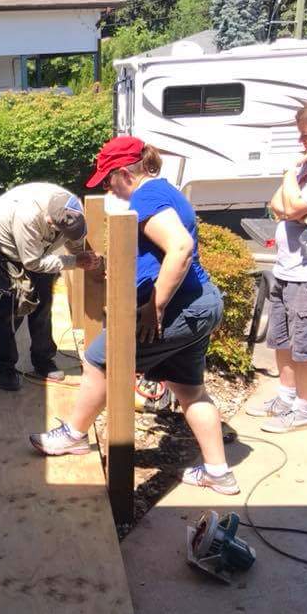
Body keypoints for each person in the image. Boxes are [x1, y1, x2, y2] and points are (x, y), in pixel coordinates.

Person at [30, 136, 240, 497]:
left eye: (108, 180)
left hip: (179, 309)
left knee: (99, 359)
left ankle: (74, 435)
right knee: (190, 390)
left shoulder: (146, 197)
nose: (109, 188)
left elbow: (180, 247)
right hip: (199, 304)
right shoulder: (166, 191)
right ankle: (219, 473)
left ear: (125, 172)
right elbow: (159, 254)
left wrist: (153, 306)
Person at [0, 182, 101, 392]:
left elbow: (74, 241)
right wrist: (74, 262)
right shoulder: (28, 216)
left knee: (44, 301)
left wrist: (89, 261)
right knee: (11, 306)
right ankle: (4, 366)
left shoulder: (70, 205)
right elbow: (32, 263)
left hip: (34, 248)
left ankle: (43, 359)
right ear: (50, 222)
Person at [247, 100, 307, 432]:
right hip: (287, 268)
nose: (301, 143)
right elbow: (277, 205)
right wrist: (300, 207)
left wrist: (290, 175)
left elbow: (290, 208)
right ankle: (286, 398)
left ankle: (303, 410)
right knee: (282, 340)